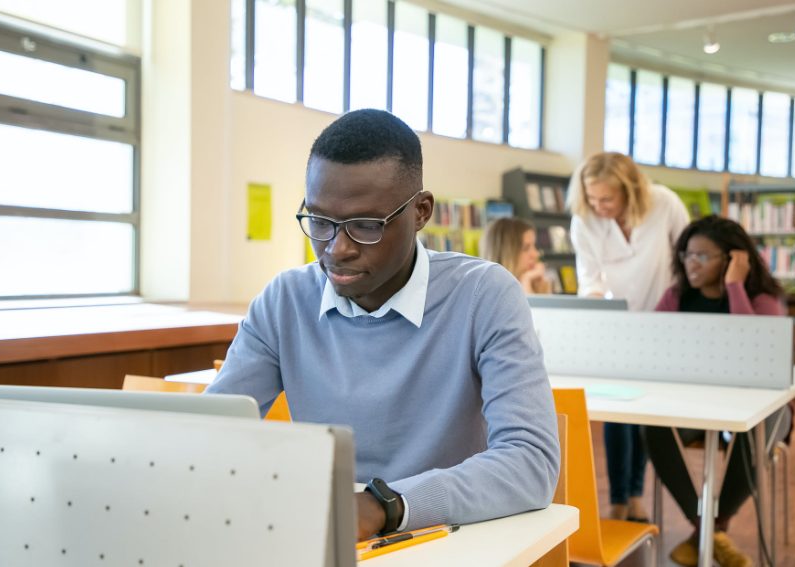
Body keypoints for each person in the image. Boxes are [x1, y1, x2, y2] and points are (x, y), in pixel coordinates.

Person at [205, 109, 560, 541]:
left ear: (421, 212)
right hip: (324, 536)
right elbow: (212, 433)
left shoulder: (484, 295)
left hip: (452, 542)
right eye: (319, 221)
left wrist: (383, 506)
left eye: (365, 225)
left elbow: (531, 462)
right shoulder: (284, 300)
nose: (337, 249)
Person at [644, 215, 789, 567]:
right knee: (654, 427)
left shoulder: (761, 300)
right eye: (687, 255)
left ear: (732, 259)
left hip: (762, 410)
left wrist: (735, 286)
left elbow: (756, 353)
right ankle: (709, 530)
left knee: (754, 430)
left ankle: (707, 533)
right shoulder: (676, 297)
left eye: (703, 256)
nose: (692, 263)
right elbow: (650, 344)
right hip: (694, 408)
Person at [567, 152, 690, 522]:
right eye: (592, 198)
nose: (598, 206)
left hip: (663, 326)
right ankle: (619, 501)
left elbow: (688, 257)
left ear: (630, 192)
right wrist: (594, 315)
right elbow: (590, 281)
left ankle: (636, 497)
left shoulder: (664, 203)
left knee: (646, 416)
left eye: (607, 199)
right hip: (615, 330)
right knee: (619, 416)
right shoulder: (584, 222)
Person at [480, 217, 553, 294]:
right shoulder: (491, 295)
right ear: (506, 254)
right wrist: (526, 282)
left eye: (534, 246)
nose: (536, 254)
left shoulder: (540, 284)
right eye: (526, 248)